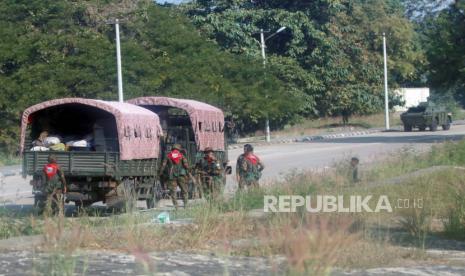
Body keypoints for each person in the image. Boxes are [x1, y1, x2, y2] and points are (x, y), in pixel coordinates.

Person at [159, 144, 190, 208]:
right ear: (179, 149)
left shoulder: (168, 156)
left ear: (172, 149)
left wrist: (160, 173)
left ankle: (176, 206)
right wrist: (188, 172)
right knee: (184, 190)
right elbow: (186, 166)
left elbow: (163, 166)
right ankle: (186, 205)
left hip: (171, 176)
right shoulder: (181, 156)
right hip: (181, 175)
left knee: (173, 192)